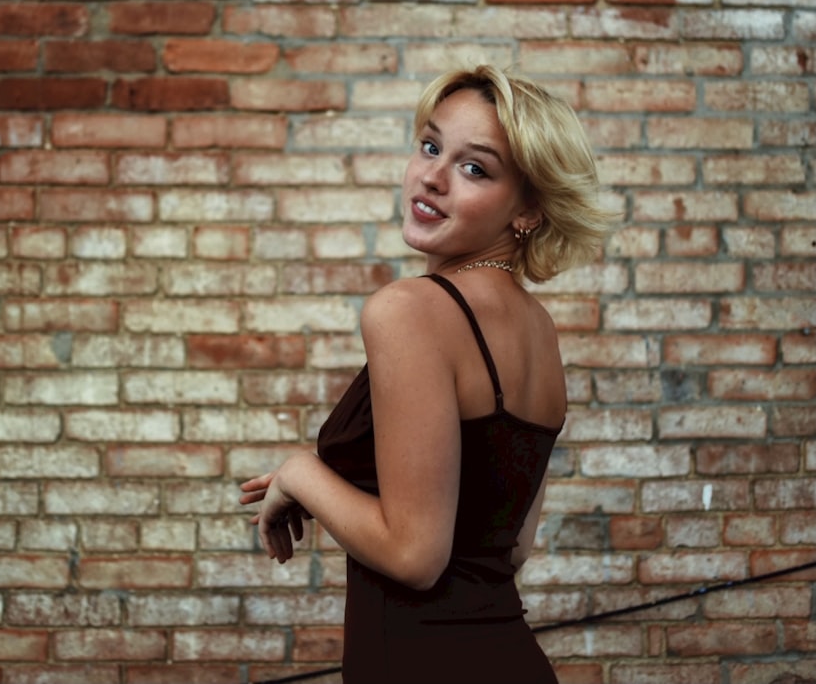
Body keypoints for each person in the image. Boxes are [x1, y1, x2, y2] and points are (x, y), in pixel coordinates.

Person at [240, 64, 615, 684]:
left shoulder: (408, 310)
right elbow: (509, 549)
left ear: (528, 210)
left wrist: (301, 473)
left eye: (475, 168)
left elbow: (416, 557)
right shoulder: (538, 332)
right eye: (431, 145)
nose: (432, 177)